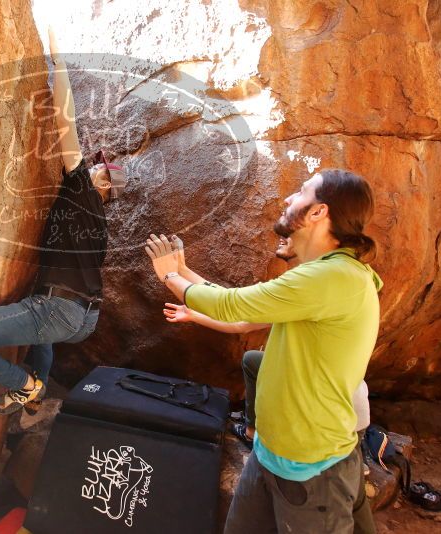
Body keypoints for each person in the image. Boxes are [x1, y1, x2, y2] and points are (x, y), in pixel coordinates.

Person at [146, 169, 382, 533]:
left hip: (312, 467)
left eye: (301, 192)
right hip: (272, 454)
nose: (289, 199)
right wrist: (183, 270)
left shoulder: (334, 278)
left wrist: (168, 276)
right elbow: (244, 311)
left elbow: (232, 306)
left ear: (319, 212)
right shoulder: (321, 275)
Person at [0, 28, 127, 415]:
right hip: (84, 318)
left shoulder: (81, 191)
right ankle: (33, 402)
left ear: (103, 182)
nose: (90, 165)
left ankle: (25, 386)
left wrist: (60, 62)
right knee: (44, 334)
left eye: (97, 167)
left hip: (58, 312)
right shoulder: (98, 224)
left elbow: (66, 127)